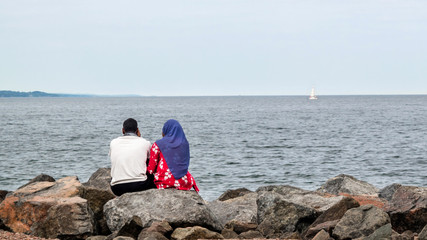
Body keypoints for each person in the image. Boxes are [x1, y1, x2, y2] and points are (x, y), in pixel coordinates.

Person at [147, 119, 199, 192]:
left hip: (164, 181)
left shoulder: (157, 144)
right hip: (184, 181)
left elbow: (151, 170)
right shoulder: (185, 144)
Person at [109, 118, 155, 196]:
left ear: (123, 130)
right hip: (140, 185)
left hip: (117, 188)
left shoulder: (113, 143)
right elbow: (151, 162)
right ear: (137, 130)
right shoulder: (145, 142)